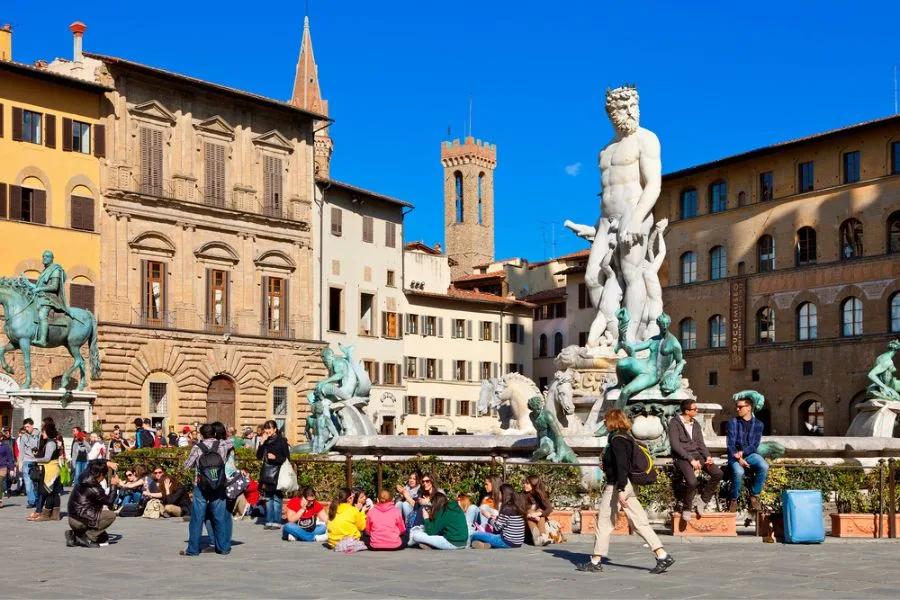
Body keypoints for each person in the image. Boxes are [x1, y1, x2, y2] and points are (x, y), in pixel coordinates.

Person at [577, 409, 674, 574]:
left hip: (617, 485)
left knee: (604, 521)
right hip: (628, 484)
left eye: (606, 421)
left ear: (612, 421)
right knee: (639, 521)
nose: (604, 424)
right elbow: (620, 463)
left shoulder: (617, 440)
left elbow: (622, 465)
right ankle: (662, 555)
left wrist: (620, 489)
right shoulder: (627, 437)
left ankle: (596, 560)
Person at [181, 422, 233, 556]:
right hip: (218, 485)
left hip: (201, 486)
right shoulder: (222, 445)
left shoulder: (198, 447)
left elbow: (187, 466)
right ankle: (223, 548)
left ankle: (193, 549)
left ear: (201, 434)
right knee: (219, 517)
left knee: (197, 518)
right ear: (214, 433)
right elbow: (235, 441)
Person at [669, 399, 723, 522]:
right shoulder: (674, 423)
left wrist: (708, 456)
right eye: (695, 409)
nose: (697, 411)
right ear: (687, 411)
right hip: (682, 457)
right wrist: (691, 460)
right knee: (692, 482)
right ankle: (687, 508)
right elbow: (675, 445)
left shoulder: (696, 424)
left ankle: (703, 500)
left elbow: (701, 444)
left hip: (698, 456)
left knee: (718, 473)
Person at [726, 396, 769, 512]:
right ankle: (734, 499)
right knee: (739, 472)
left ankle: (754, 495)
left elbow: (754, 445)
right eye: (737, 407)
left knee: (764, 466)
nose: (737, 409)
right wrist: (738, 457)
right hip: (734, 456)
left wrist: (743, 452)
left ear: (749, 408)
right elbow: (730, 444)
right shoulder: (732, 423)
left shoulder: (759, 424)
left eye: (740, 407)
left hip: (749, 454)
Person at [67, 460, 120, 548]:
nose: (105, 477)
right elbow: (109, 501)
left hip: (73, 517)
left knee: (103, 538)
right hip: (80, 520)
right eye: (105, 475)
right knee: (110, 515)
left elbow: (91, 462)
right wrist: (114, 485)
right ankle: (88, 537)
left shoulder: (84, 474)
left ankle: (76, 535)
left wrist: (107, 463)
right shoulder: (94, 487)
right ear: (100, 474)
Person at [256, 420, 290, 530]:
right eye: (266, 429)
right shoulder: (265, 441)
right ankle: (269, 520)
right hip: (267, 472)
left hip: (278, 472)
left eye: (269, 428)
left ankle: (277, 521)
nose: (267, 431)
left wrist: (276, 458)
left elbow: (287, 458)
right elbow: (258, 456)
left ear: (275, 429)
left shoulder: (282, 441)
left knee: (277, 497)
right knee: (268, 497)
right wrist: (262, 443)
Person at [471, 484, 527, 549]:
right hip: (518, 542)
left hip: (506, 542)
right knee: (489, 536)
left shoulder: (506, 508)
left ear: (504, 494)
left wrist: (488, 517)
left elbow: (497, 527)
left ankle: (488, 544)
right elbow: (509, 521)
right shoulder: (517, 506)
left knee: (475, 535)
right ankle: (485, 544)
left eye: (499, 493)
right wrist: (497, 518)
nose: (498, 495)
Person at [30, 420, 62, 521]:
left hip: (50, 469)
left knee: (48, 492)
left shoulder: (50, 443)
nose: (42, 434)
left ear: (48, 432)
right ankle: (55, 514)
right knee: (54, 492)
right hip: (54, 468)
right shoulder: (53, 441)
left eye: (44, 432)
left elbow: (47, 458)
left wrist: (35, 459)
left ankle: (46, 514)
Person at [326, 487, 367, 552]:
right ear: (349, 498)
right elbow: (362, 527)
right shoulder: (353, 510)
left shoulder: (333, 509)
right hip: (349, 542)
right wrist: (362, 513)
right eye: (353, 496)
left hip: (333, 543)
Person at [523, 475, 553, 545]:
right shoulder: (522, 495)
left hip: (538, 520)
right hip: (526, 522)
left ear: (533, 484)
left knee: (540, 511)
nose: (524, 485)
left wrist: (538, 514)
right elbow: (519, 510)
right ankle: (540, 537)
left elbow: (549, 509)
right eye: (524, 483)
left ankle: (541, 537)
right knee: (529, 510)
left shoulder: (540, 495)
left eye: (527, 483)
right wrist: (530, 515)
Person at [18, 418, 39, 508]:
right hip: (27, 460)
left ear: (32, 425)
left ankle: (38, 499)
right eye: (25, 427)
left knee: (37, 482)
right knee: (28, 482)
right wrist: (20, 463)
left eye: (28, 426)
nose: (26, 428)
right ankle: (31, 500)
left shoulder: (39, 434)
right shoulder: (24, 437)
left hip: (37, 461)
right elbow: (21, 451)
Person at [0, 431, 13, 508]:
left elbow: (10, 458)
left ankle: (0, 500)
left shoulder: (5, 447)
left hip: (2, 467)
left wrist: (11, 469)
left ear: (1, 438)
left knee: (0, 483)